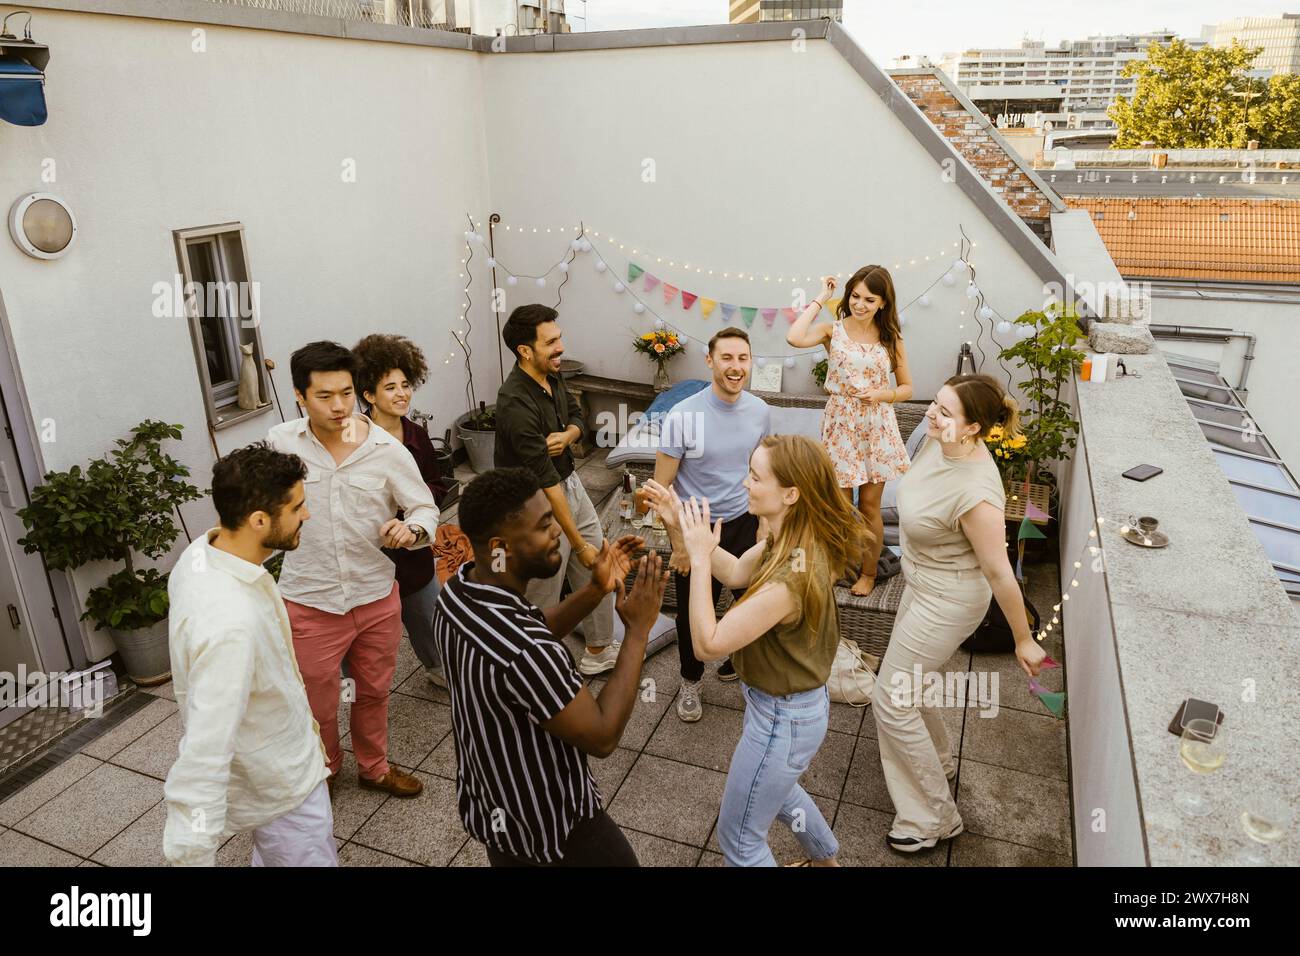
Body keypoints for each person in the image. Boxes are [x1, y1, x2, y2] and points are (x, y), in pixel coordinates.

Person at [432, 468, 667, 866]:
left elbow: (530, 627)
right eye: (544, 526)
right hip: (555, 828)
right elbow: (602, 735)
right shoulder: (527, 651)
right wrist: (638, 631)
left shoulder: (457, 594)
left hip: (497, 812)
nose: (559, 530)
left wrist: (595, 590)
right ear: (499, 547)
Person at [648, 435, 863, 867]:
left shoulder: (791, 577)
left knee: (741, 842)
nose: (744, 483)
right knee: (781, 793)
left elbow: (709, 643)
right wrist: (678, 523)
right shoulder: (789, 540)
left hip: (783, 719)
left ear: (790, 494)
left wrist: (700, 562)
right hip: (789, 710)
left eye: (755, 476)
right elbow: (734, 570)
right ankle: (827, 863)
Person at [872, 374, 1046, 853]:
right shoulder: (938, 443)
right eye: (936, 405)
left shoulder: (978, 493)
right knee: (908, 684)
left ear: (973, 429)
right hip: (921, 581)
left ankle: (933, 817)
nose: (933, 415)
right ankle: (939, 759)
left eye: (946, 413)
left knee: (891, 699)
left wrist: (1023, 638)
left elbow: (999, 572)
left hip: (950, 599)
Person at [268, 341, 440, 799]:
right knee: (316, 703)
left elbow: (425, 508)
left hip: (376, 595)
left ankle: (374, 767)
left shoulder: (387, 448)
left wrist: (412, 530)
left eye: (346, 392)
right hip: (309, 600)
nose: (340, 406)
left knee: (374, 692)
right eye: (325, 396)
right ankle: (324, 770)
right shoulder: (280, 442)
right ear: (299, 396)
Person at [163, 443, 335, 867]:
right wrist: (192, 855)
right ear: (259, 520)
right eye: (298, 507)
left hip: (277, 765)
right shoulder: (230, 624)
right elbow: (205, 749)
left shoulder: (202, 554)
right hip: (283, 790)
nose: (306, 516)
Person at [652, 326, 771, 722]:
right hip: (696, 530)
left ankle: (737, 660)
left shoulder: (759, 411)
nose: (736, 367)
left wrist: (763, 525)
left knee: (749, 604)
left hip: (742, 522)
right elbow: (662, 489)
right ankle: (690, 680)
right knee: (692, 614)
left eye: (743, 358)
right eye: (727, 358)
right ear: (710, 361)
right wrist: (681, 545)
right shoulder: (683, 416)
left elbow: (761, 474)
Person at [494, 304, 617, 677]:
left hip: (570, 484)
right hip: (534, 503)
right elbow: (546, 483)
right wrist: (575, 544)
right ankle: (536, 662)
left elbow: (577, 415)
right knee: (545, 584)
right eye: (551, 341)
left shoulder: (554, 374)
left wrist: (569, 434)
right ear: (525, 351)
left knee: (596, 563)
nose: (561, 346)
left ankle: (598, 650)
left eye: (560, 337)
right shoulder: (515, 402)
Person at [787, 265, 913, 597]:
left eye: (869, 300)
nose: (859, 304)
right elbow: (794, 337)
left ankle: (869, 573)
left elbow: (907, 388)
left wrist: (882, 395)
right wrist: (822, 297)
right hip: (841, 423)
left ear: (882, 303)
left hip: (876, 423)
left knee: (870, 506)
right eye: (855, 296)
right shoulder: (833, 331)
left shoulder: (890, 338)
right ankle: (839, 565)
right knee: (840, 506)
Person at [352, 333, 451, 688]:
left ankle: (441, 668)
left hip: (412, 553)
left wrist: (414, 519)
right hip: (366, 554)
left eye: (406, 385)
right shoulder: (352, 439)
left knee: (429, 614)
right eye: (390, 387)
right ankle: (362, 687)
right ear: (368, 395)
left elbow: (437, 486)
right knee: (365, 634)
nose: (402, 394)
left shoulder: (417, 435)